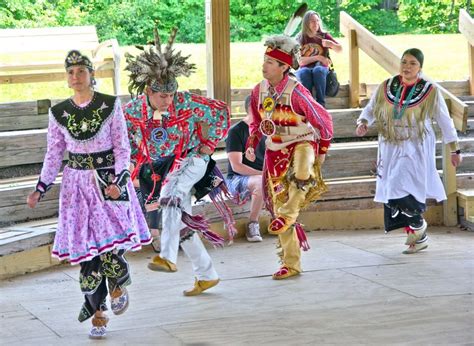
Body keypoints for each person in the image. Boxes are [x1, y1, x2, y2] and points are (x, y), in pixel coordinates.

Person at [26, 50, 152, 339]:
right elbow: (54, 152)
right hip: (76, 186)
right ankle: (98, 311)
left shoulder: (109, 105)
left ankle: (118, 283)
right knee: (87, 253)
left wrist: (120, 181)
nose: (75, 77)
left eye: (80, 71)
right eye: (70, 72)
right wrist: (40, 188)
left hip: (108, 181)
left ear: (91, 74)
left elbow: (122, 147)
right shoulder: (59, 113)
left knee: (110, 244)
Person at [123, 28, 234, 296]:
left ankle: (168, 256)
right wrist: (131, 167)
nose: (168, 101)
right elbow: (125, 141)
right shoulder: (131, 111)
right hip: (158, 169)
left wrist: (209, 144)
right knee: (180, 221)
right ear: (148, 90)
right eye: (162, 96)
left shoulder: (186, 103)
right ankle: (207, 274)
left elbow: (221, 111)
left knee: (171, 195)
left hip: (191, 159)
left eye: (171, 95)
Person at [356, 48, 462, 254]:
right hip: (390, 143)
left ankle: (418, 224)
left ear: (420, 67)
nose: (407, 67)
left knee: (400, 186)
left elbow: (444, 120)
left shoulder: (430, 90)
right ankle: (417, 235)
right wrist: (363, 121)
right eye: (404, 62)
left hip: (416, 144)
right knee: (393, 189)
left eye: (412, 63)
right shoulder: (387, 86)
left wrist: (454, 148)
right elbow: (370, 108)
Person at [246, 35, 333, 280]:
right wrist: (252, 142)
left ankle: (290, 212)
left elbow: (323, 119)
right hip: (275, 150)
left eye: (271, 62)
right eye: (264, 61)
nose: (264, 66)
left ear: (285, 67)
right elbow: (256, 122)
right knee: (278, 208)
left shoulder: (296, 91)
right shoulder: (258, 91)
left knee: (303, 171)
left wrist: (323, 149)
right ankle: (291, 263)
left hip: (302, 142)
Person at [226, 95, 266, 242]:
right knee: (261, 182)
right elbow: (237, 166)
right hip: (238, 178)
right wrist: (264, 174)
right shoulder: (236, 131)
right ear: (251, 108)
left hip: (262, 175)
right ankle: (253, 224)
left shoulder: (268, 129)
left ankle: (282, 220)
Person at [295, 10, 342, 107]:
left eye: (317, 20)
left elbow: (340, 50)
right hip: (305, 68)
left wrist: (331, 44)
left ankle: (321, 104)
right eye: (312, 21)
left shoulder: (324, 35)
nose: (316, 23)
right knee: (304, 72)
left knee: (318, 70)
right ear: (306, 23)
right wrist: (319, 57)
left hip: (321, 68)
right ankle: (309, 104)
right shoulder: (300, 38)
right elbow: (300, 61)